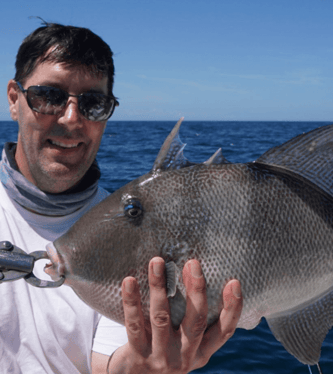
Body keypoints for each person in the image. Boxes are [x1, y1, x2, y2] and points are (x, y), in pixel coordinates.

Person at [0, 21, 243, 373]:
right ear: (14, 100)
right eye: (49, 96)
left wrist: (145, 366)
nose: (71, 118)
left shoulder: (131, 229)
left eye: (93, 104)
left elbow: (113, 363)